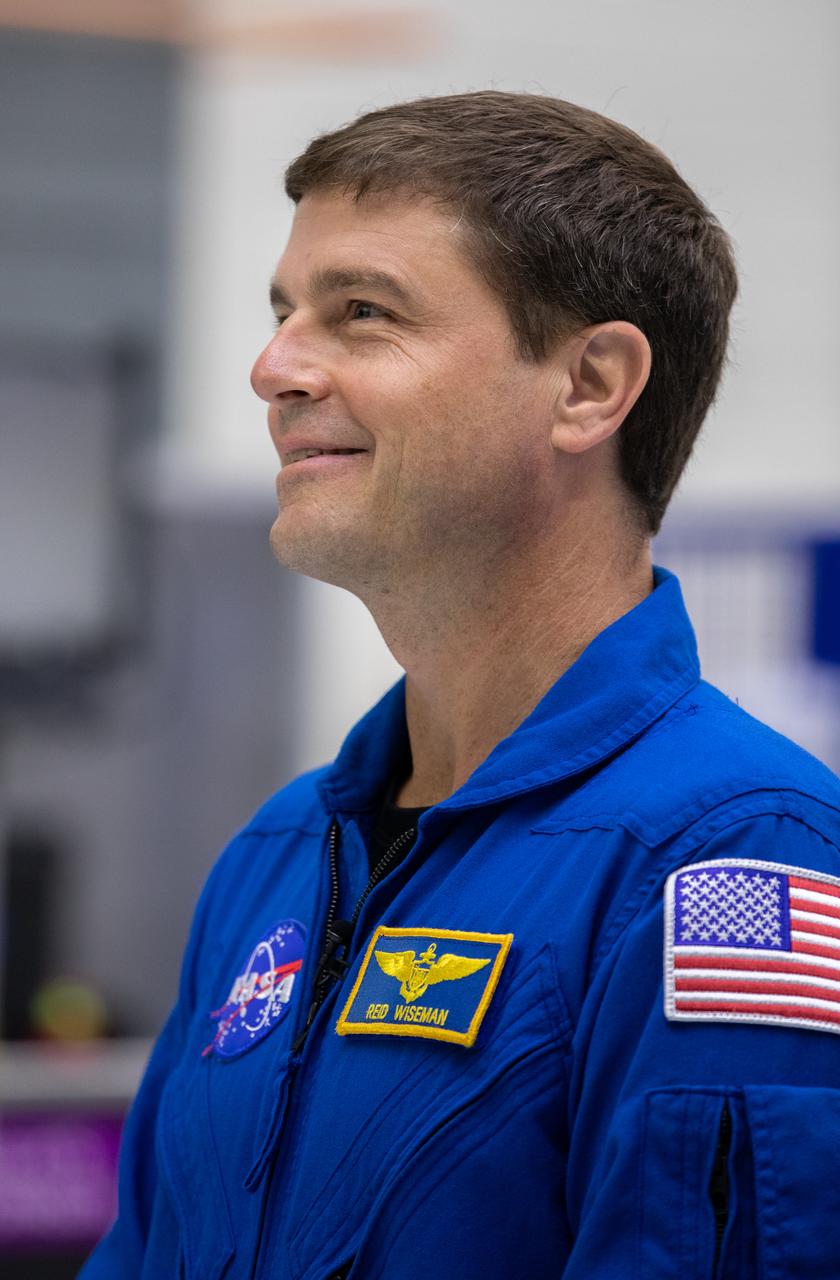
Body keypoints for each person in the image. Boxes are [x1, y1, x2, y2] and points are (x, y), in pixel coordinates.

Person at [80, 91, 840, 1280]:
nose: (273, 366)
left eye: (363, 312)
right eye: (284, 314)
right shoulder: (275, 855)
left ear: (589, 384)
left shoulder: (737, 859)